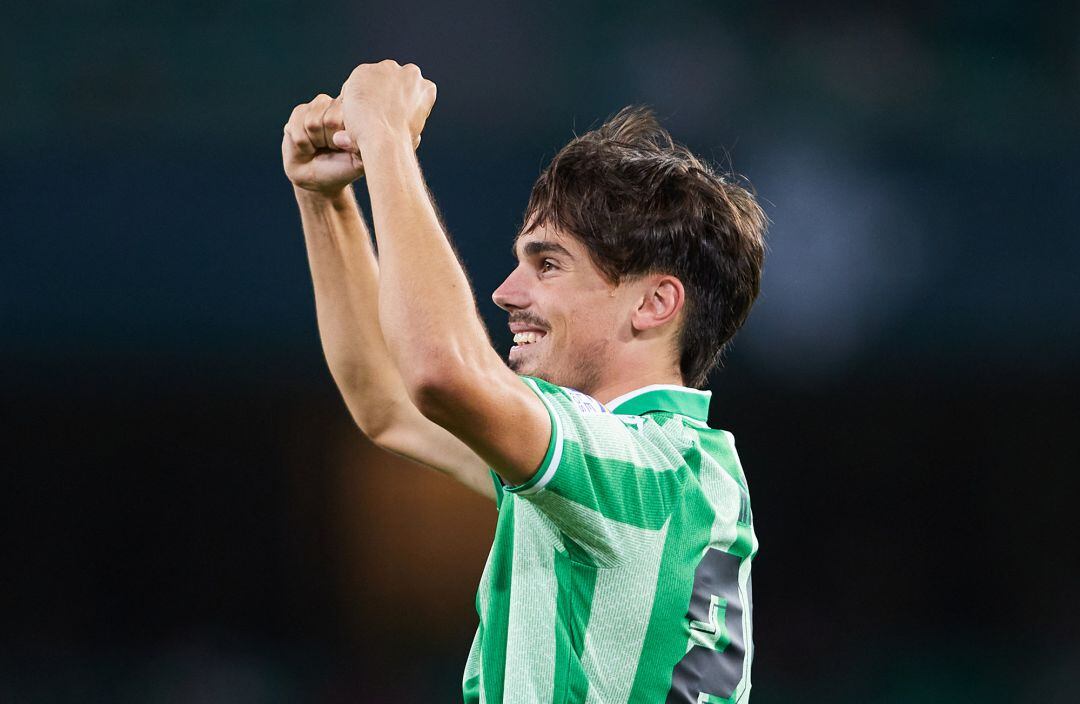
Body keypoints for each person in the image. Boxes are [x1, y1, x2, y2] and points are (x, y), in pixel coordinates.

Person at [282, 59, 767, 703]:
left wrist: (386, 136)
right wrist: (326, 200)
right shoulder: (653, 471)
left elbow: (439, 371)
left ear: (653, 304)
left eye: (548, 263)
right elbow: (392, 403)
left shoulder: (647, 474)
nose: (507, 293)